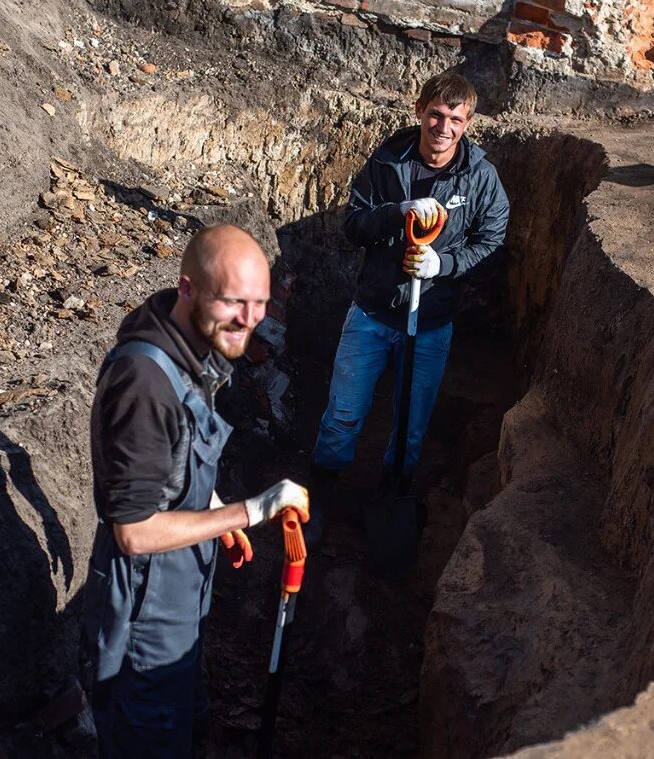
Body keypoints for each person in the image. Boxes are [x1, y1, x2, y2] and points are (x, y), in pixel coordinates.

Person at [83, 224, 309, 757]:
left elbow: (173, 461)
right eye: (234, 301)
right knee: (149, 738)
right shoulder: (143, 384)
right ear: (187, 289)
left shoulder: (192, 346)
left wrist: (208, 508)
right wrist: (246, 512)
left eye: (259, 302)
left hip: (183, 588)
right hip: (145, 607)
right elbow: (135, 532)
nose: (250, 320)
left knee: (188, 722)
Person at [306, 71, 510, 546]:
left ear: (468, 122)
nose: (444, 126)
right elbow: (353, 225)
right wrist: (395, 213)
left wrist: (444, 263)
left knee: (411, 425)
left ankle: (392, 495)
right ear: (420, 110)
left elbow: (493, 237)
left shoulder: (479, 177)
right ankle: (320, 495)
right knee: (343, 414)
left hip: (431, 323)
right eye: (436, 114)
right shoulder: (387, 162)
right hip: (373, 314)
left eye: (455, 119)